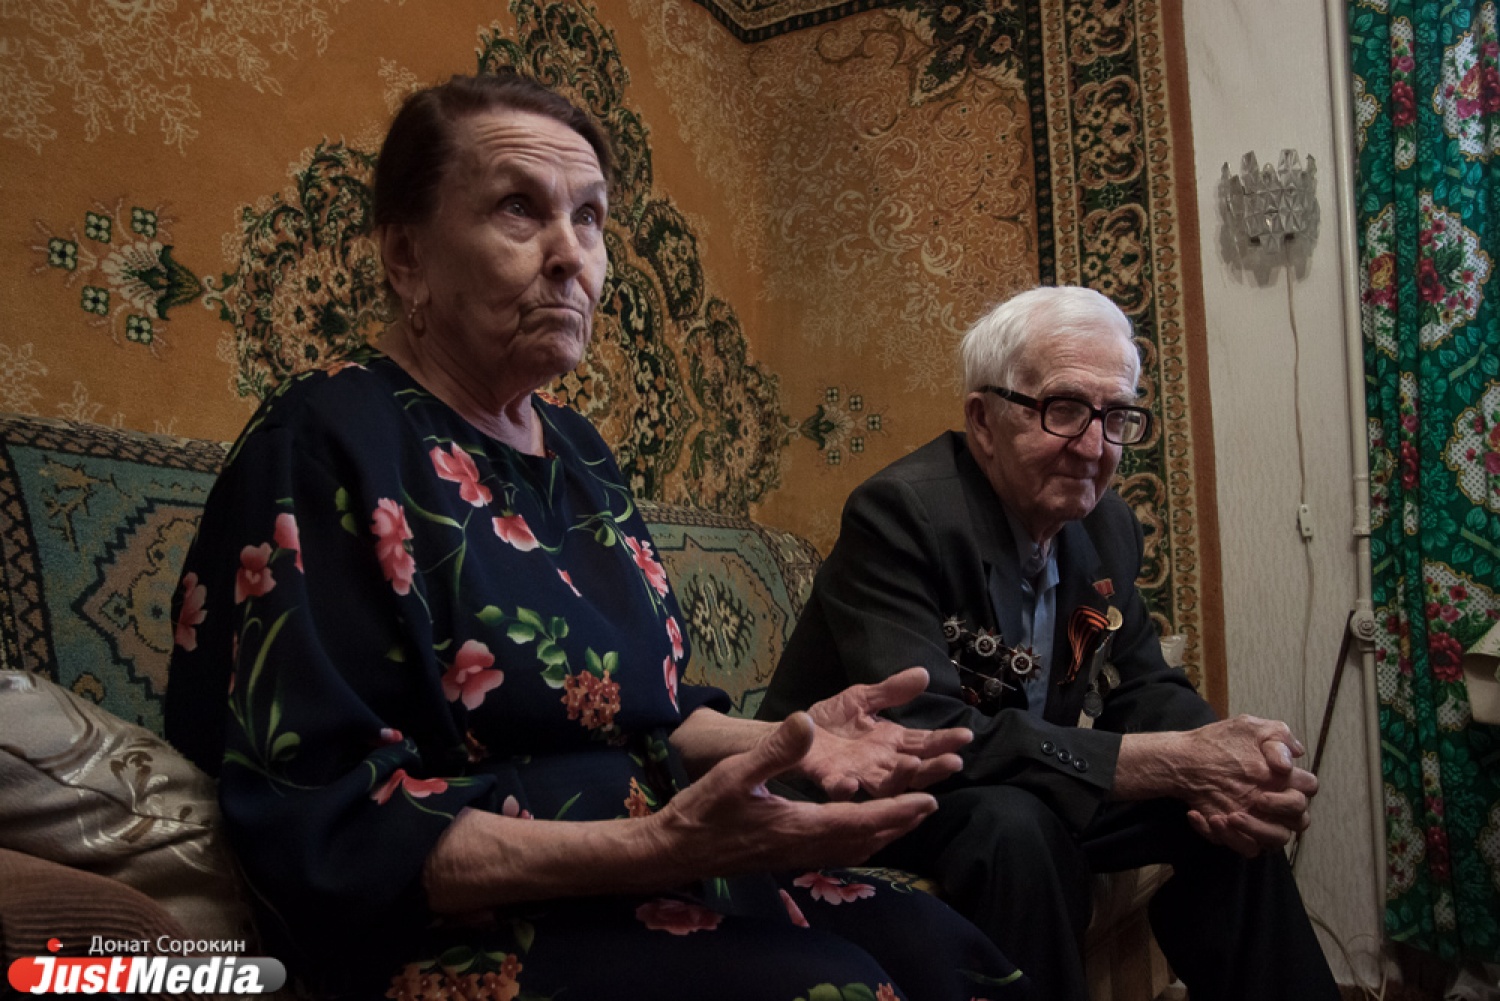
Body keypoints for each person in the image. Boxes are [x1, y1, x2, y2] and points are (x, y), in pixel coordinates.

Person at [163, 73, 1033, 1001]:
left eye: (589, 218)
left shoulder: (577, 450)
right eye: (518, 209)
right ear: (406, 256)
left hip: (644, 870)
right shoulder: (323, 440)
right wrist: (654, 845)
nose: (569, 255)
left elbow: (654, 710)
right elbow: (326, 826)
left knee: (952, 957)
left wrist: (796, 737)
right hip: (458, 919)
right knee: (831, 988)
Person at [758, 285, 1340, 1000]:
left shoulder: (1106, 525)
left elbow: (1145, 685)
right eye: (1063, 409)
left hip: (1009, 781)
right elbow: (926, 735)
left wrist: (1227, 764)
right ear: (984, 420)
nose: (1094, 448)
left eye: (1116, 416)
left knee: (1223, 814)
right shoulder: (901, 515)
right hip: (863, 795)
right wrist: (1172, 761)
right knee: (1016, 827)